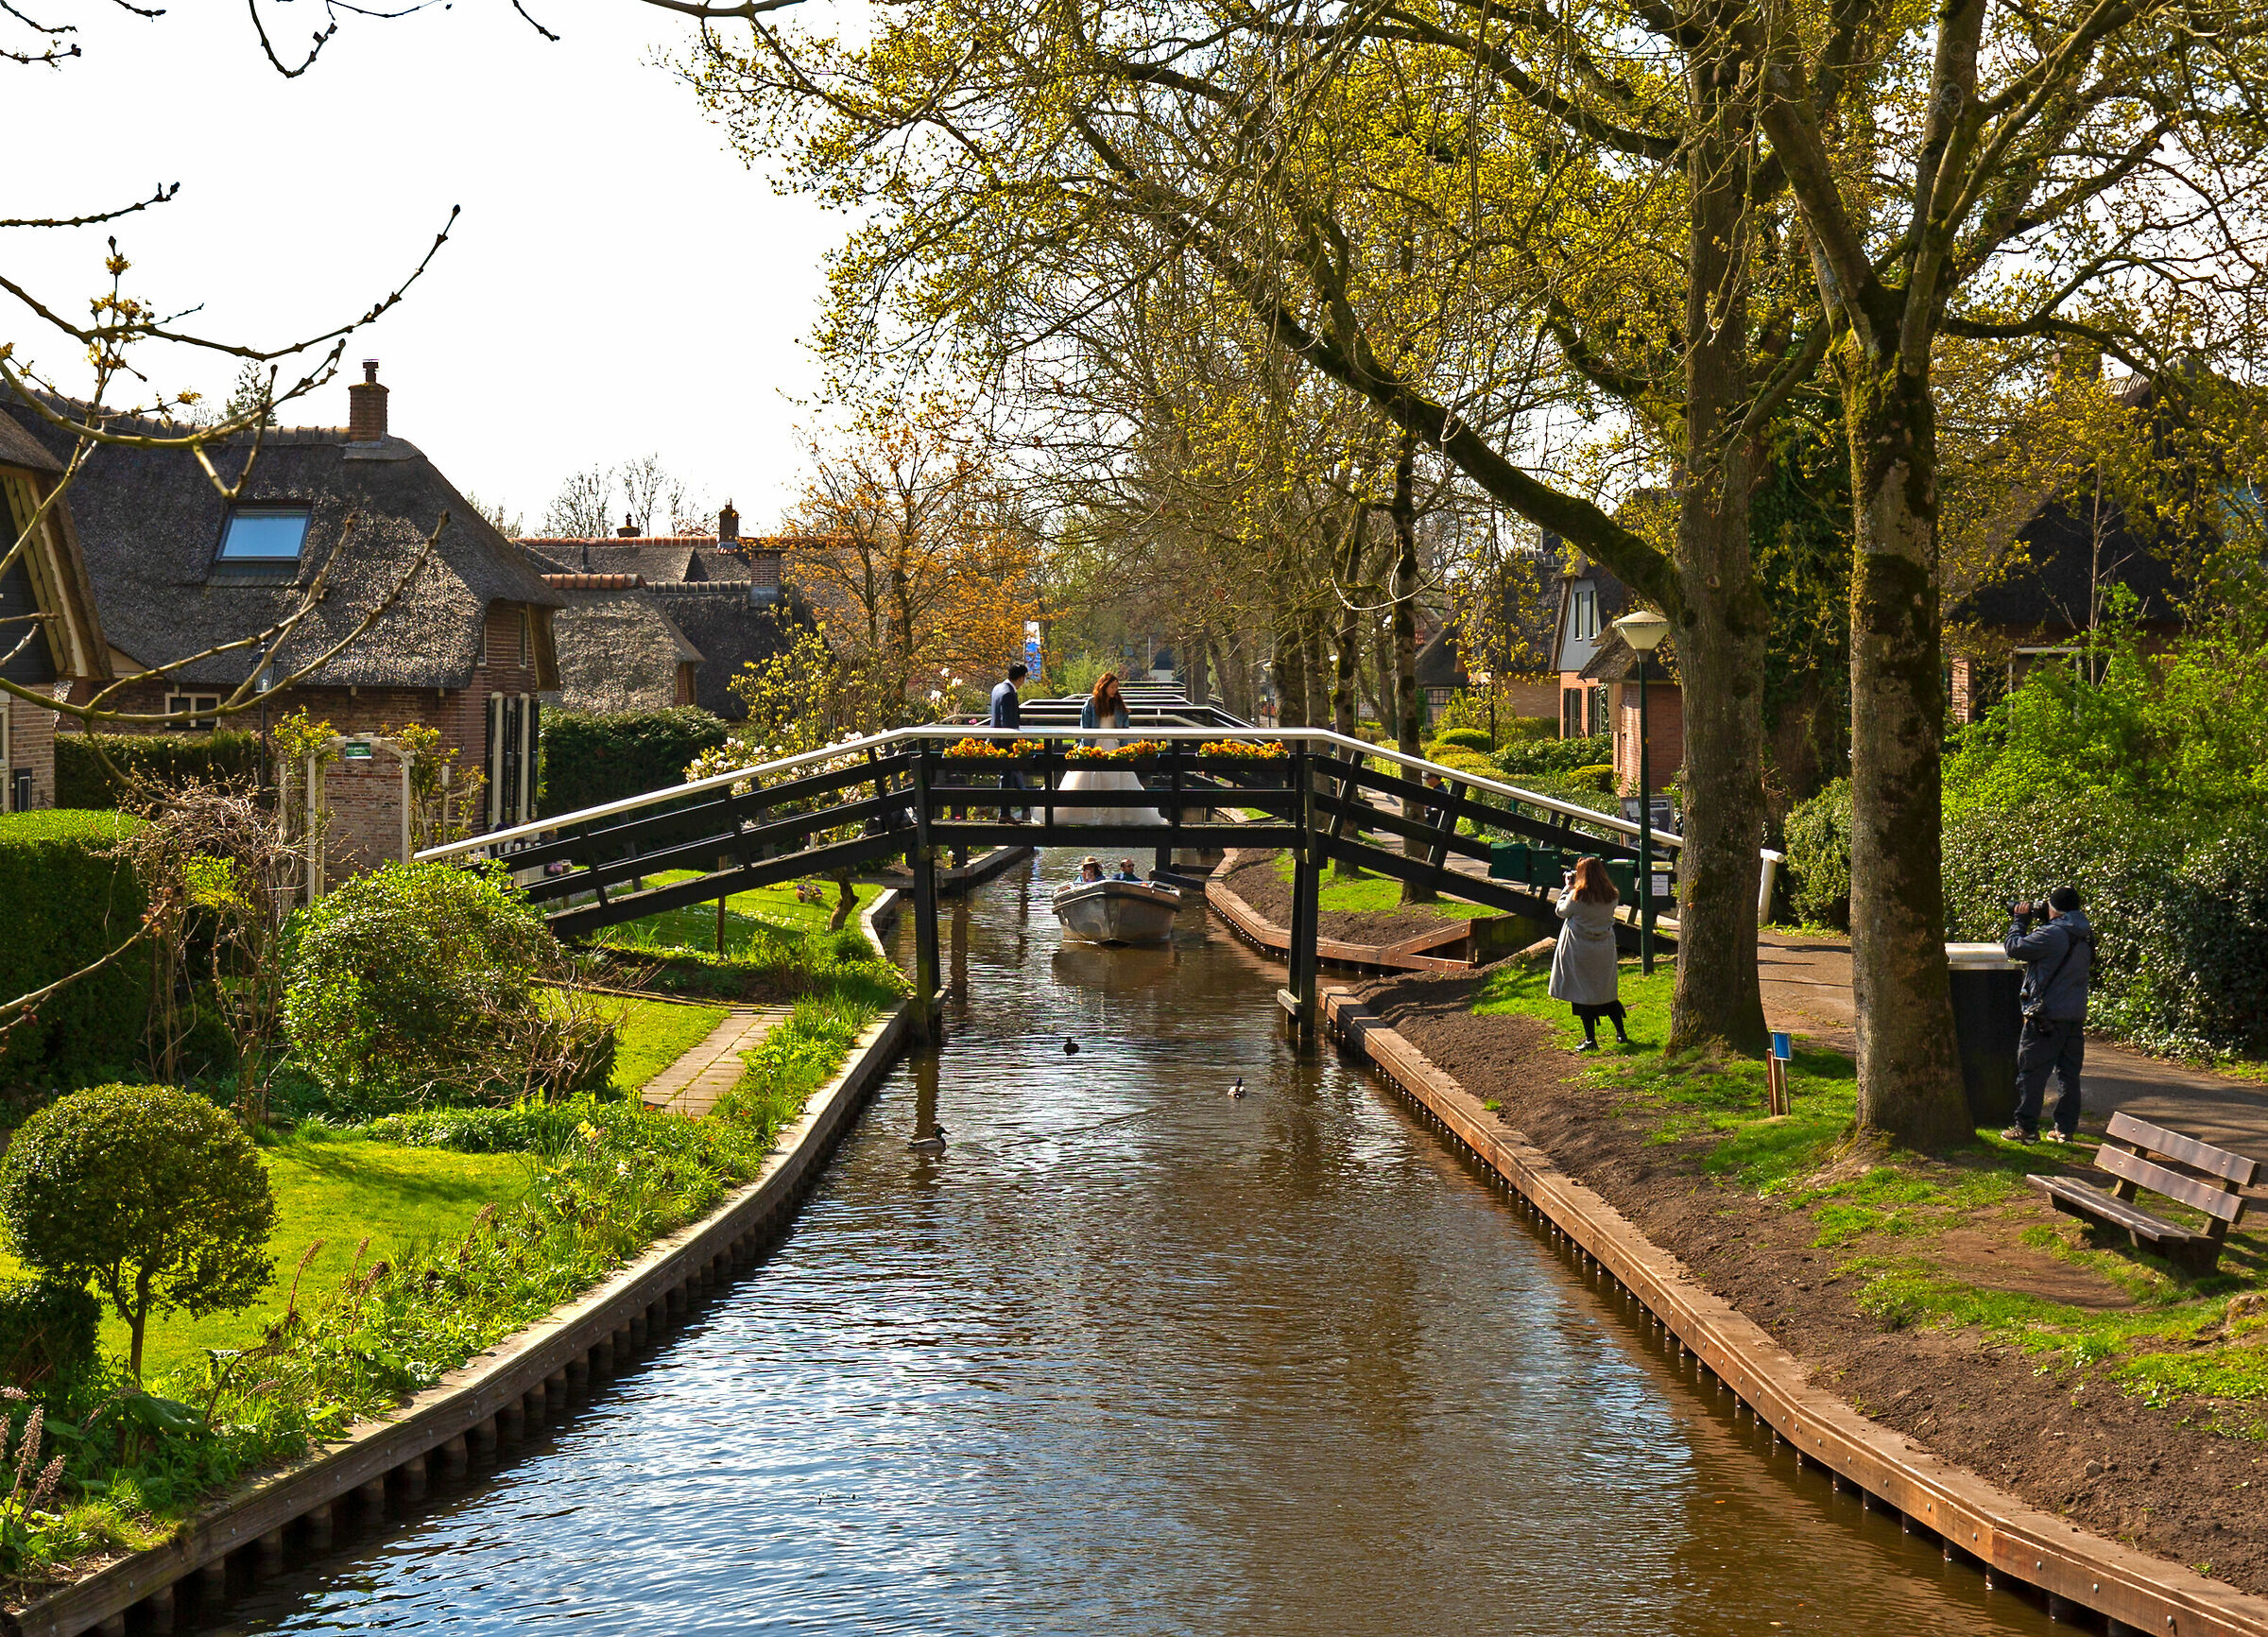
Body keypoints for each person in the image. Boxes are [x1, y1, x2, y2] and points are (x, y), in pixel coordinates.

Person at [2001, 886, 2094, 1144]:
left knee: (2032, 1072)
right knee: (2069, 1075)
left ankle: (2026, 1128)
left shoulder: (2052, 934)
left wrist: (2020, 920)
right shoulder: (2085, 934)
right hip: (2074, 1015)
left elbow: (2014, 948)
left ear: (2054, 907)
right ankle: (2064, 1129)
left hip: (2046, 1016)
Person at [1057, 672, 1166, 827]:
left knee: (1115, 779)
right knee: (1090, 778)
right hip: (1095, 745)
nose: (1115, 690)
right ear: (1104, 686)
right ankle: (1090, 812)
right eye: (1112, 687)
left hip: (1114, 745)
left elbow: (1125, 729)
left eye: (1116, 687)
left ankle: (1116, 813)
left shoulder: (1119, 705)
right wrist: (1087, 749)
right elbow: (1085, 728)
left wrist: (1125, 749)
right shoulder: (1091, 704)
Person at [1550, 855, 1628, 1051]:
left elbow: (1561, 911)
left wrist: (1567, 888)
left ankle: (1590, 1039)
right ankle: (1621, 1033)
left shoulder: (1578, 895)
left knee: (1582, 993)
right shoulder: (1612, 895)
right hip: (1604, 947)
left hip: (1579, 948)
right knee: (1606, 991)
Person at [990, 662, 1028, 822]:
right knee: (1007, 776)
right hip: (1004, 742)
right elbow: (1008, 722)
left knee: (1011, 776)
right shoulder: (1008, 694)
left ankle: (1024, 809)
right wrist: (1017, 741)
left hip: (997, 739)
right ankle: (1007, 813)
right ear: (1021, 678)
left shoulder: (998, 688)